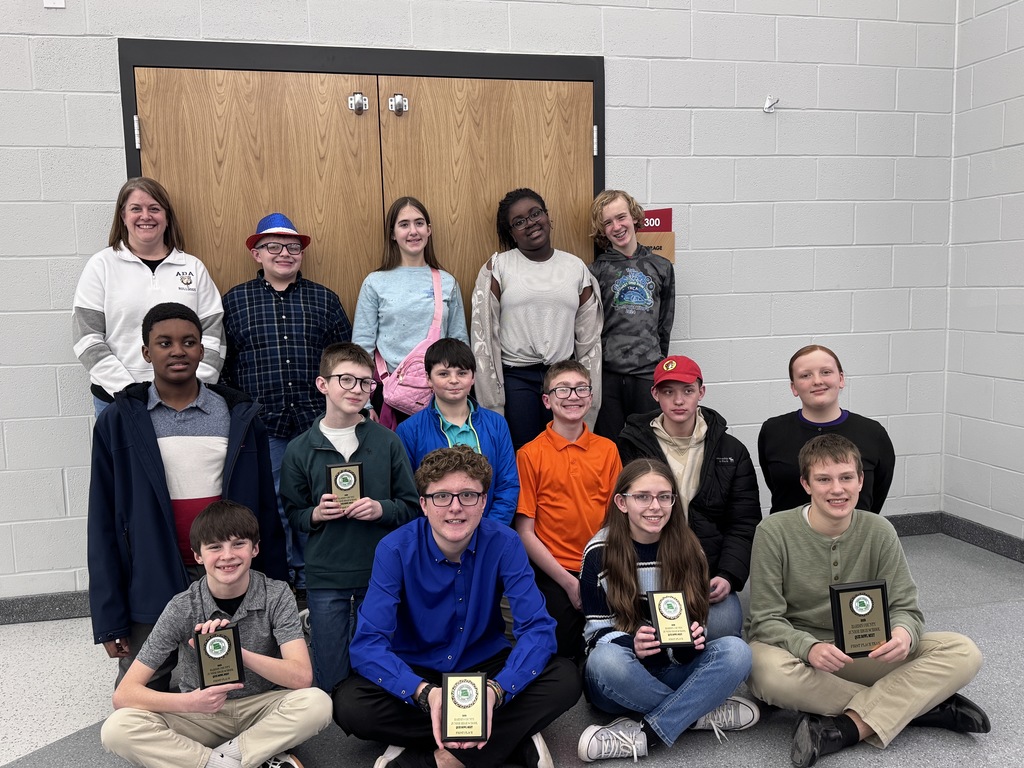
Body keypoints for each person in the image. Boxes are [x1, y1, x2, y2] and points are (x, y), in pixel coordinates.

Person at [746, 434, 989, 768]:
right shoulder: (773, 531)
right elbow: (764, 618)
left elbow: (906, 607)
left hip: (863, 649)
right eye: (823, 479)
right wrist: (808, 647)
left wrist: (904, 633)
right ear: (806, 484)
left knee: (963, 652)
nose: (837, 489)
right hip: (797, 652)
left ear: (860, 481)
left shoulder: (879, 530)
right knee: (761, 670)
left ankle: (848, 727)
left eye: (846, 477)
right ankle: (922, 708)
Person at [333, 446, 582, 768]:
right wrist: (424, 694)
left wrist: (498, 690)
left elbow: (537, 628)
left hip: (485, 666)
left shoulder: (505, 542)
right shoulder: (394, 549)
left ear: (482, 502)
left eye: (468, 495)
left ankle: (434, 758)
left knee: (565, 678)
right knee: (350, 706)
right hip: (418, 669)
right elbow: (368, 644)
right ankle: (510, 738)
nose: (455, 508)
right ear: (423, 504)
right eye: (441, 497)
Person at [88, 302, 286, 692]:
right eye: (165, 343)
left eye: (189, 342)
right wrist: (109, 618)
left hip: (227, 571)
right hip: (152, 571)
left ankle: (232, 746)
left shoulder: (236, 415)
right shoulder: (120, 420)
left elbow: (266, 508)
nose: (178, 351)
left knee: (235, 678)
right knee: (144, 685)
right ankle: (175, 753)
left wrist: (276, 586)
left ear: (202, 350)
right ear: (147, 352)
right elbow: (103, 523)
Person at [100, 501, 333, 768]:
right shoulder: (182, 606)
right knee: (117, 728)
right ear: (198, 556)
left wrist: (237, 652)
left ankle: (212, 759)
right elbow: (125, 695)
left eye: (238, 544)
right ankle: (238, 760)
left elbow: (301, 677)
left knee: (317, 703)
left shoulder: (277, 595)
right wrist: (190, 702)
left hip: (260, 710)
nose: (227, 555)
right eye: (214, 547)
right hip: (199, 712)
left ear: (254, 548)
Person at [577, 459, 758, 762]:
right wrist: (631, 644)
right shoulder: (599, 552)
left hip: (674, 670)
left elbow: (689, 626)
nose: (655, 506)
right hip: (624, 675)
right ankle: (698, 710)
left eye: (664, 496)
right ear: (622, 502)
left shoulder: (688, 548)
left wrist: (690, 643)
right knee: (606, 660)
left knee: (738, 652)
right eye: (643, 496)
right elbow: (595, 636)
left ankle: (647, 733)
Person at [222, 212, 352, 599]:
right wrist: (240, 411)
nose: (284, 254)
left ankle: (321, 576)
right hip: (265, 425)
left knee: (323, 499)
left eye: (292, 247)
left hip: (318, 421)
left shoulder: (324, 299)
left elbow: (344, 358)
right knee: (276, 502)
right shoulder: (235, 301)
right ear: (256, 254)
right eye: (273, 246)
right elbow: (223, 366)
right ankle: (290, 583)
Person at [280, 342, 420, 694]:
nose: (357, 389)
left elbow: (411, 505)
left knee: (380, 660)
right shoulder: (300, 448)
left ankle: (374, 721)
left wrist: (380, 509)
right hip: (326, 575)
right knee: (330, 668)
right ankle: (337, 727)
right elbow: (293, 514)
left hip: (380, 572)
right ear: (322, 384)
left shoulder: (387, 442)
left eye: (365, 383)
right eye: (346, 380)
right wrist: (315, 513)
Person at [617, 355, 760, 640]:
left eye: (687, 391)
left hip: (705, 573)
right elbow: (621, 514)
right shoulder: (631, 446)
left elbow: (743, 522)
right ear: (655, 394)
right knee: (650, 638)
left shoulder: (730, 450)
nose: (678, 400)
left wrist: (729, 575)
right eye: (668, 392)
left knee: (723, 633)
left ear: (701, 392)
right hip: (648, 571)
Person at [73, 177, 225, 416]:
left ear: (166, 217)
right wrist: (128, 390)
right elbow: (87, 338)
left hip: (183, 399)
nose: (146, 216)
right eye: (136, 209)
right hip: (117, 400)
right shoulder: (101, 266)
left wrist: (195, 386)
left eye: (154, 208)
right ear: (123, 216)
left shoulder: (193, 268)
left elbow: (214, 335)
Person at [471, 187, 603, 450]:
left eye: (535, 214)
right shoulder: (498, 267)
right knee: (525, 453)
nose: (530, 223)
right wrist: (491, 399)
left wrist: (589, 394)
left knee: (567, 451)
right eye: (519, 222)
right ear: (511, 232)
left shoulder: (575, 267)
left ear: (547, 216)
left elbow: (590, 340)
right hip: (517, 379)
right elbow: (484, 336)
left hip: (564, 378)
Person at [514, 360, 622, 660]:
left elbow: (619, 521)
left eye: (580, 389)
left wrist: (599, 576)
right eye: (562, 389)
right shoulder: (529, 454)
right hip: (555, 569)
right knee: (563, 650)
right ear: (547, 400)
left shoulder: (608, 450)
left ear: (590, 398)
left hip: (604, 564)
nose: (572, 396)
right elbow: (525, 531)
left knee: (616, 641)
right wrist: (569, 582)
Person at [352, 196, 469, 427]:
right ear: (393, 234)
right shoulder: (375, 282)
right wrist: (364, 404)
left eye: (419, 223)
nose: (413, 231)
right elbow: (361, 347)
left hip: (440, 396)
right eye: (404, 224)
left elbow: (459, 344)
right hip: (389, 397)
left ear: (429, 230)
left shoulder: (447, 282)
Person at [758, 344, 896, 514]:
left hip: (854, 537)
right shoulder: (773, 431)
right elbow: (775, 486)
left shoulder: (873, 434)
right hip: (788, 538)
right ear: (794, 387)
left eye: (826, 372)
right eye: (805, 375)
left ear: (841, 379)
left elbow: (877, 495)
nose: (817, 381)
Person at [397, 337, 519, 525]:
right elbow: (409, 493)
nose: (454, 380)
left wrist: (492, 530)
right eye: (443, 374)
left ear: (473, 377)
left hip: (489, 530)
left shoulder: (497, 424)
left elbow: (508, 485)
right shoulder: (409, 430)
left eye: (462, 373)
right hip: (435, 534)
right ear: (429, 379)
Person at [588, 190, 675, 440]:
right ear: (602, 229)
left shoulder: (661, 266)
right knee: (610, 445)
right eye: (608, 222)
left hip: (647, 372)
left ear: (634, 217)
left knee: (650, 443)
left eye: (621, 217)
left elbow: (665, 324)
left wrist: (659, 365)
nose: (617, 226)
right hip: (608, 375)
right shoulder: (596, 270)